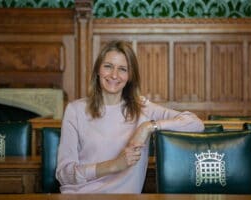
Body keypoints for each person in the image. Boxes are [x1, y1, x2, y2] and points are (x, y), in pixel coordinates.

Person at [56, 40, 204, 193]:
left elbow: (196, 124)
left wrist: (147, 127)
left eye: (122, 69)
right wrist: (114, 165)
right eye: (108, 66)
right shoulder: (75, 110)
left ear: (130, 76)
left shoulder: (143, 108)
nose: (114, 75)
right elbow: (64, 175)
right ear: (98, 70)